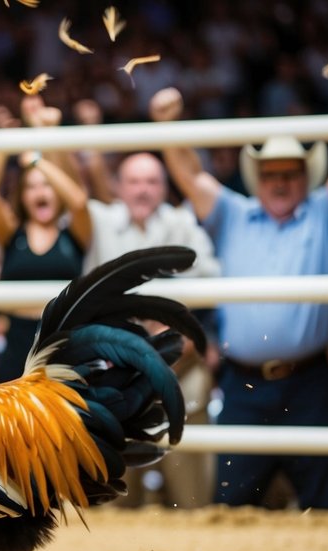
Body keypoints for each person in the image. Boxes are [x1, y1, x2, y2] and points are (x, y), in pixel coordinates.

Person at [149, 81, 328, 510]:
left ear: (303, 176)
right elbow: (189, 174)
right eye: (271, 173)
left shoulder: (324, 214)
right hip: (244, 384)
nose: (280, 182)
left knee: (324, 507)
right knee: (232, 507)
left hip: (310, 381)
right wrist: (168, 123)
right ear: (258, 179)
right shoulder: (234, 214)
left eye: (289, 173)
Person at [81, 151, 221, 509]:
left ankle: (195, 545)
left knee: (190, 484)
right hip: (115, 365)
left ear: (164, 188)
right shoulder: (100, 220)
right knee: (116, 487)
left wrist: (179, 323)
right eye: (134, 181)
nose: (143, 190)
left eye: (152, 181)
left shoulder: (182, 223)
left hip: (178, 362)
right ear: (119, 187)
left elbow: (213, 278)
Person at [0, 96, 92, 384]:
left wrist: (39, 157)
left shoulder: (74, 234)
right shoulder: (12, 233)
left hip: (64, 344)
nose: (40, 193)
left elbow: (78, 202)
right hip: (16, 344)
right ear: (22, 196)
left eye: (47, 186)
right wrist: (7, 142)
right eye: (31, 187)